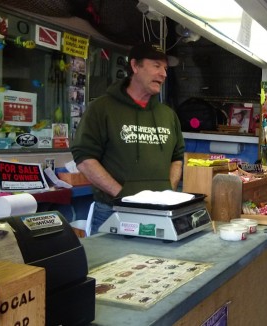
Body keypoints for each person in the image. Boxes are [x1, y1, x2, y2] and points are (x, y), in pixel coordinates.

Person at [71, 42, 185, 234]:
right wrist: (123, 196)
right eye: (156, 66)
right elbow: (84, 158)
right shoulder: (102, 108)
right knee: (108, 265)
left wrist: (168, 191)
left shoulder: (168, 114)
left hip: (160, 213)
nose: (164, 74)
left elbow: (177, 157)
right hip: (113, 211)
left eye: (165, 68)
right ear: (135, 66)